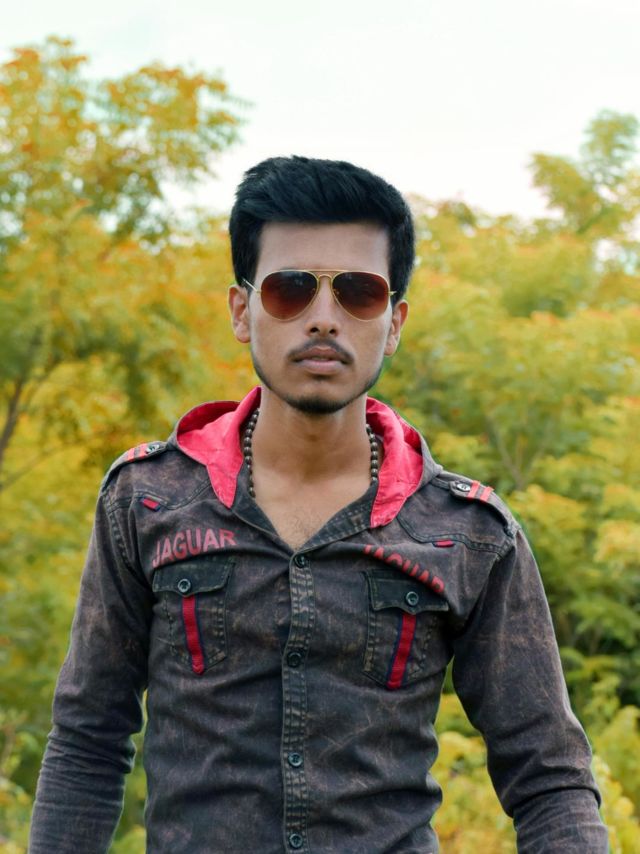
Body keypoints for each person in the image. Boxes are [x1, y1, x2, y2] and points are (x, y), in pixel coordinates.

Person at [29, 156, 608, 853]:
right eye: (290, 290)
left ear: (394, 322)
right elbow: (88, 740)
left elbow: (548, 778)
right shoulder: (150, 500)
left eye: (358, 293)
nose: (324, 319)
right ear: (242, 311)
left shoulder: (467, 534)